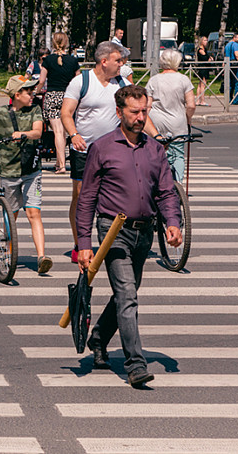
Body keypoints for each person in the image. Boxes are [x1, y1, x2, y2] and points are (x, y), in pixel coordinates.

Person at [77, 84, 182, 388]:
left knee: (127, 292)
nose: (140, 117)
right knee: (127, 295)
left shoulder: (154, 149)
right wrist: (84, 244)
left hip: (144, 232)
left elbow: (165, 192)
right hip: (113, 232)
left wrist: (172, 223)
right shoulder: (102, 148)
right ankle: (135, 363)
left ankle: (98, 337)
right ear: (119, 111)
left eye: (144, 111)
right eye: (134, 112)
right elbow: (86, 200)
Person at [61, 41, 157, 262]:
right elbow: (66, 112)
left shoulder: (122, 83)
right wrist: (74, 134)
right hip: (84, 149)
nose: (122, 65)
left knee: (117, 195)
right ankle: (80, 244)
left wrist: (157, 136)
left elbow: (139, 115)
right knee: (81, 196)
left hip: (115, 150)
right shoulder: (81, 81)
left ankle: (116, 241)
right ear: (104, 61)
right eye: (118, 61)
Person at [0, 75, 50, 274]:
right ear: (16, 95)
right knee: (10, 216)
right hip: (9, 172)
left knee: (34, 213)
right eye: (28, 92)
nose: (32, 95)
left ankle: (41, 257)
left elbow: (38, 132)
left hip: (32, 171)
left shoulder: (35, 110)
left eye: (32, 91)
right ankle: (7, 252)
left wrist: (24, 134)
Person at [147, 48, 196, 182]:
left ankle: (158, 183)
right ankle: (178, 184)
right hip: (177, 122)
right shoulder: (184, 79)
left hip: (156, 123)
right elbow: (191, 105)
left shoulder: (154, 80)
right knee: (178, 154)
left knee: (157, 153)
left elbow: (147, 105)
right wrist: (188, 119)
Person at [38, 32, 79, 174]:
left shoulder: (48, 60)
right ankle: (59, 162)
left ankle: (61, 165)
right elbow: (77, 80)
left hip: (52, 96)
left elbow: (42, 80)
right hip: (69, 97)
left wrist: (36, 91)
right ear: (66, 43)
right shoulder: (73, 61)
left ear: (53, 43)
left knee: (58, 131)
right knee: (66, 131)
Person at [224, 33, 238, 105]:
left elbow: (225, 55)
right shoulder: (235, 45)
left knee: (230, 83)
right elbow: (236, 54)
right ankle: (236, 100)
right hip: (235, 65)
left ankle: (229, 99)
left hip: (228, 65)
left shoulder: (227, 45)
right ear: (234, 38)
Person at [194, 36, 211, 106]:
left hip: (204, 68)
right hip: (203, 68)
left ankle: (198, 100)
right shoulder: (200, 49)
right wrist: (209, 58)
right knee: (202, 85)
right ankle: (202, 100)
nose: (206, 42)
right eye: (204, 40)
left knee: (200, 84)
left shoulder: (205, 49)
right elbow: (206, 57)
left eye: (206, 40)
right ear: (201, 41)